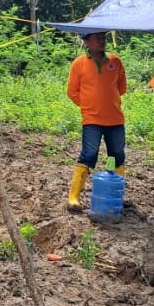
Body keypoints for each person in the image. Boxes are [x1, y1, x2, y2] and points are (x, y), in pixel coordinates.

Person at [65, 31, 128, 213]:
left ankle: (117, 194)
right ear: (87, 41)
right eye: (97, 38)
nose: (102, 40)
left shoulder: (115, 61)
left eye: (103, 37)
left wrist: (108, 101)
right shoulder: (79, 64)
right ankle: (74, 197)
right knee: (88, 154)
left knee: (117, 155)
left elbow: (121, 87)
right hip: (92, 120)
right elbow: (72, 91)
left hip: (115, 119)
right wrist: (88, 106)